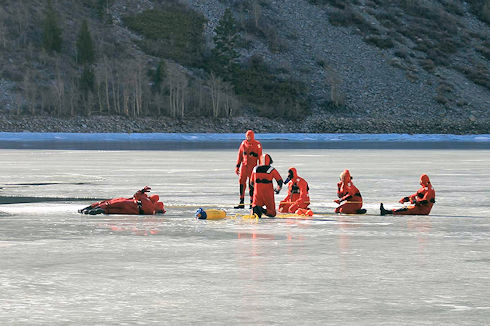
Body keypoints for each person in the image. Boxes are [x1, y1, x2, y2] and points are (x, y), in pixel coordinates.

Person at [79, 186, 165, 215]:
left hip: (130, 204)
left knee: (110, 203)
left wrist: (142, 190)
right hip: (134, 212)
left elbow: (137, 195)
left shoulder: (146, 200)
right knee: (112, 210)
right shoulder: (150, 212)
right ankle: (100, 210)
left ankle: (90, 208)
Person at [235, 130, 263, 209]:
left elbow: (260, 157)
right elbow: (240, 155)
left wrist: (260, 168)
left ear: (252, 136)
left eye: (249, 136)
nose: (248, 137)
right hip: (244, 167)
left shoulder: (257, 144)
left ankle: (252, 202)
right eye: (247, 136)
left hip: (253, 168)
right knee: (241, 182)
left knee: (252, 184)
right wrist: (237, 166)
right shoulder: (243, 143)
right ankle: (241, 201)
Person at [250, 154, 283, 218]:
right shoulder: (272, 170)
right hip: (268, 194)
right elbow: (280, 181)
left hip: (257, 193)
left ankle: (257, 209)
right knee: (272, 213)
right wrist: (278, 189)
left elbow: (251, 183)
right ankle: (262, 210)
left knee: (255, 214)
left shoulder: (255, 169)